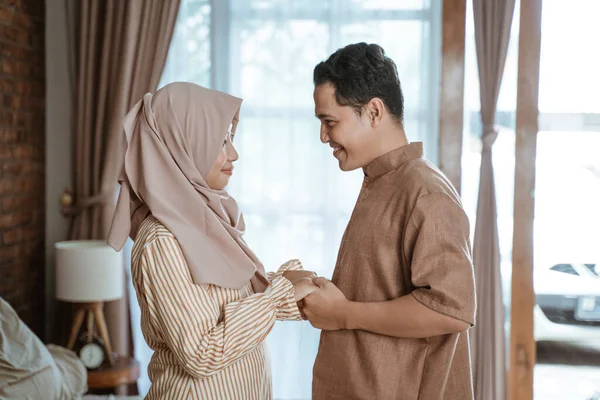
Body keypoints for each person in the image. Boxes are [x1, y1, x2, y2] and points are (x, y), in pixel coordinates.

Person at [107, 82, 317, 399]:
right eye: (221, 141)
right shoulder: (162, 241)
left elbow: (224, 305)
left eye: (231, 139)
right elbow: (200, 353)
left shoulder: (207, 221)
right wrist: (275, 298)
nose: (234, 153)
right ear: (185, 146)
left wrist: (286, 288)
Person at [300, 43, 476, 400]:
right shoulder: (381, 182)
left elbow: (451, 311)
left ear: (374, 111)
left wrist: (344, 313)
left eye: (329, 121)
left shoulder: (425, 192)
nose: (323, 136)